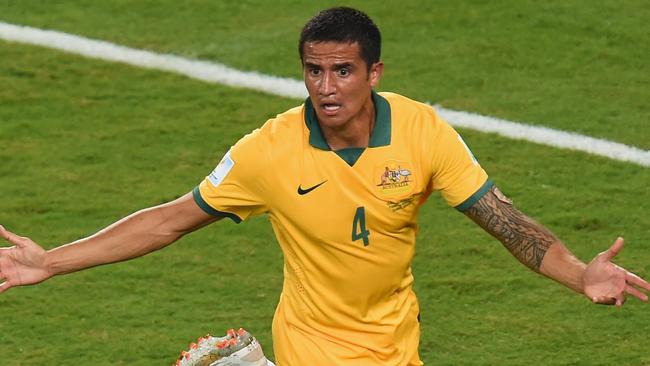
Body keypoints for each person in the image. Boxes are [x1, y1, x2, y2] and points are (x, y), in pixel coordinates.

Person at [1, 6, 649, 366]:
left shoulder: (422, 134)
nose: (326, 86)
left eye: (342, 70)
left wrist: (579, 275)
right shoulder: (270, 149)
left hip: (395, 350)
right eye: (314, 71)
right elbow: (171, 220)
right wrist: (50, 262)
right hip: (311, 346)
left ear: (373, 73)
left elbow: (506, 223)